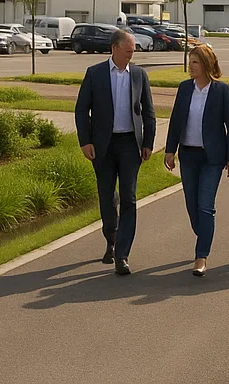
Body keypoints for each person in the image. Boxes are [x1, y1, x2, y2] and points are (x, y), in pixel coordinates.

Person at [75, 29, 157, 275]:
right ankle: (111, 240)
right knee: (107, 197)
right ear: (114, 48)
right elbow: (81, 110)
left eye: (133, 51)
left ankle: (122, 254)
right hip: (103, 146)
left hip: (130, 144)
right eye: (128, 50)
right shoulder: (95, 74)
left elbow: (148, 112)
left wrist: (148, 142)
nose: (132, 55)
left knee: (129, 198)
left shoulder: (139, 75)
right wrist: (85, 141)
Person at [164, 43, 229, 277]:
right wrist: (169, 150)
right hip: (188, 155)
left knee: (205, 206)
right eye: (190, 62)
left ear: (206, 64)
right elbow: (176, 120)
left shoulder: (221, 90)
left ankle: (201, 255)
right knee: (192, 206)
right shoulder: (185, 88)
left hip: (212, 158)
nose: (191, 66)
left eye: (195, 62)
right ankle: (204, 234)